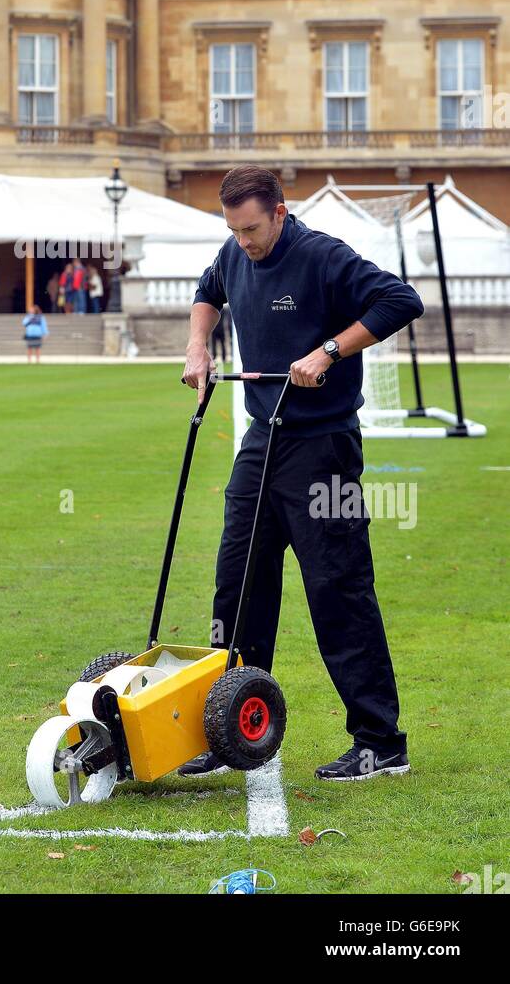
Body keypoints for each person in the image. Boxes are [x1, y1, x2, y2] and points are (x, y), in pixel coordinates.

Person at [180, 164, 424, 784]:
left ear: (280, 213)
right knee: (236, 588)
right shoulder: (234, 253)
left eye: (253, 230)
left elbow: (401, 300)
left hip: (326, 449)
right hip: (262, 442)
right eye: (234, 231)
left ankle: (380, 741)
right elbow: (208, 291)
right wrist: (198, 346)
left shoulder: (322, 256)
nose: (243, 242)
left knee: (338, 589)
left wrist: (329, 351)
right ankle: (229, 725)